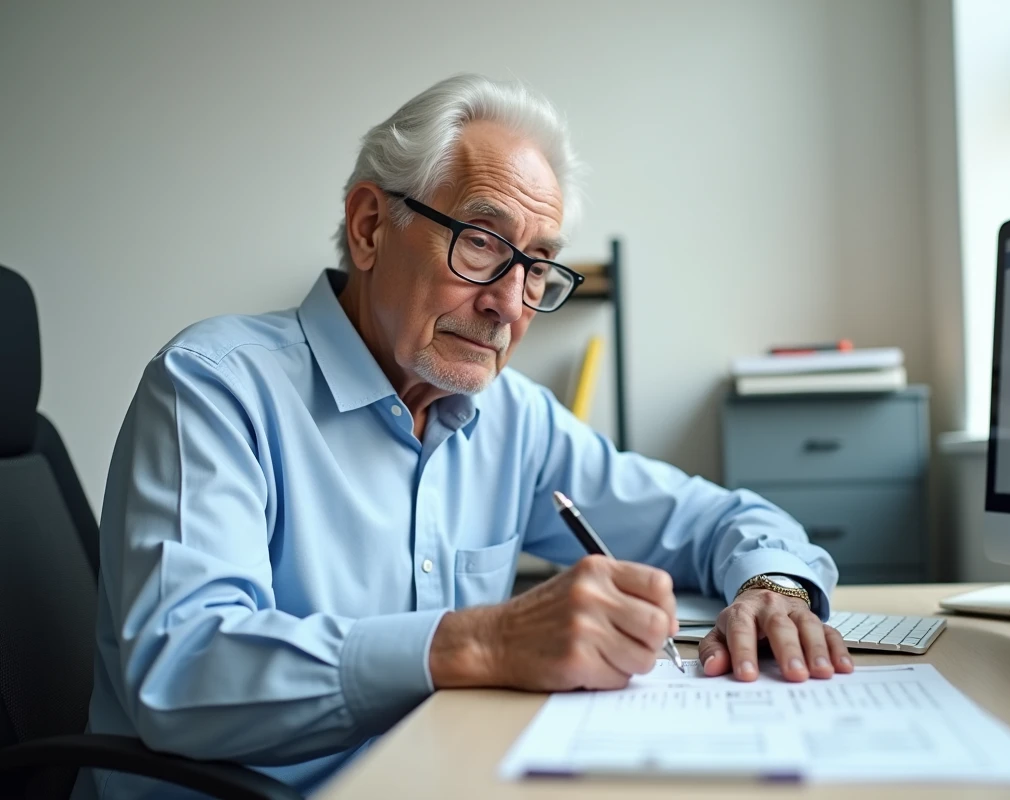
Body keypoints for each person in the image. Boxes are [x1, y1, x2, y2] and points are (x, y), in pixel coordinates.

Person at [76, 74, 851, 799]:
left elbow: (717, 519)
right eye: (482, 242)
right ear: (371, 226)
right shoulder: (213, 386)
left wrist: (774, 589)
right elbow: (183, 672)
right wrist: (482, 643)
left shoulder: (514, 419)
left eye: (539, 267)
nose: (510, 306)